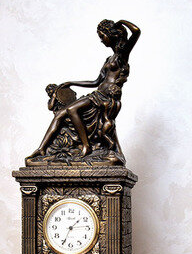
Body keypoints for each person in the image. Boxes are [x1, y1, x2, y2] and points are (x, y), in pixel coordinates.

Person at [28, 19, 140, 161]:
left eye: (102, 36)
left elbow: (136, 31)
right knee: (60, 114)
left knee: (72, 109)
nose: (101, 40)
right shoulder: (108, 59)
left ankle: (86, 146)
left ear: (110, 34)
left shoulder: (122, 55)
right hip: (97, 94)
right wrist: (71, 82)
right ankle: (41, 148)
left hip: (106, 98)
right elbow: (96, 82)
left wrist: (120, 22)